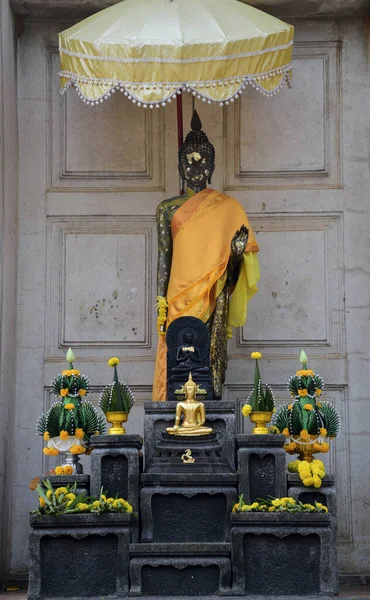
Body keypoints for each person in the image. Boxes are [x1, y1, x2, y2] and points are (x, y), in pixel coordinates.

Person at [153, 111, 260, 400]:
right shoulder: (167, 209)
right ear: (179, 167)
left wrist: (236, 255)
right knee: (177, 350)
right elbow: (164, 259)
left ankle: (208, 403)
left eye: (202, 160)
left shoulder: (226, 207)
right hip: (178, 294)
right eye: (188, 160)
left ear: (211, 166)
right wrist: (161, 304)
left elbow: (232, 269)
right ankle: (176, 405)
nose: (195, 166)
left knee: (207, 351)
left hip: (210, 293)